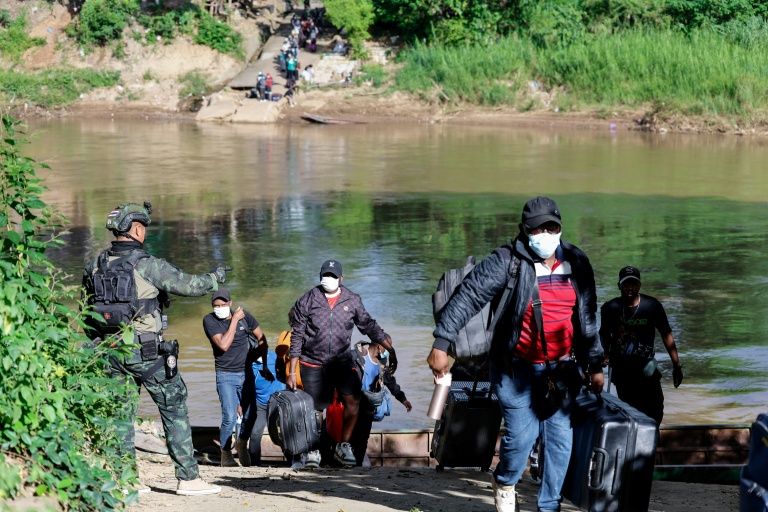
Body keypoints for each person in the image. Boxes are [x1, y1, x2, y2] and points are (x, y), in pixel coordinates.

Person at [427, 196, 604, 512]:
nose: (546, 233)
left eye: (553, 226)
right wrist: (441, 342)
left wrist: (594, 363)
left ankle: (548, 506)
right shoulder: (506, 262)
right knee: (521, 440)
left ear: (560, 226)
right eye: (539, 228)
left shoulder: (576, 261)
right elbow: (468, 296)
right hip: (516, 369)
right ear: (525, 229)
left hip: (562, 369)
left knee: (561, 443)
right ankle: (505, 480)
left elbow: (588, 314)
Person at [82, 202, 226, 496]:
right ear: (136, 229)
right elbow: (191, 286)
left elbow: (86, 314)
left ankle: (125, 479)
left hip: (110, 353)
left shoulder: (94, 265)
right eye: (144, 228)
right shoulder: (149, 265)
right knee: (174, 408)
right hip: (148, 353)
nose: (145, 233)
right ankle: (188, 479)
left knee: (120, 415)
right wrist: (215, 278)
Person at [287, 259, 398, 468]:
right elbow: (297, 337)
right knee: (316, 409)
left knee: (353, 401)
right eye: (325, 275)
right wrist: (292, 372)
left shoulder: (352, 300)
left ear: (341, 278)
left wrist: (390, 349)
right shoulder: (307, 300)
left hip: (341, 360)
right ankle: (313, 450)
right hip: (313, 362)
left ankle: (344, 445)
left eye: (332, 276)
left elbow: (369, 326)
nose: (328, 279)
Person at [600, 266, 684, 425]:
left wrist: (677, 366)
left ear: (639, 285)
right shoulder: (610, 308)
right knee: (631, 412)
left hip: (647, 370)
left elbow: (666, 334)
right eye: (626, 284)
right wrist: (605, 353)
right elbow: (604, 334)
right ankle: (636, 445)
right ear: (619, 285)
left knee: (656, 410)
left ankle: (652, 441)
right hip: (622, 372)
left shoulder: (652, 306)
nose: (630, 288)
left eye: (633, 284)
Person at [202, 288, 270, 467]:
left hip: (246, 372)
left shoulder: (245, 317)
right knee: (229, 417)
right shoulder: (210, 320)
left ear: (230, 303)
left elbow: (262, 338)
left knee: (251, 414)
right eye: (216, 305)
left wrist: (264, 366)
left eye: (223, 304)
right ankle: (226, 454)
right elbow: (223, 345)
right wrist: (234, 321)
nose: (220, 308)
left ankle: (241, 443)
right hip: (225, 374)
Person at [349, 341, 411, 466]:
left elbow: (391, 383)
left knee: (363, 438)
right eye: (387, 348)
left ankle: (358, 465)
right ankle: (347, 461)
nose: (388, 351)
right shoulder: (356, 357)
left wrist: (403, 399)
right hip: (353, 404)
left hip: (369, 407)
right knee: (351, 436)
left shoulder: (381, 364)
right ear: (380, 346)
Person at [243, 349, 287, 466]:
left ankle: (293, 461)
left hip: (279, 403)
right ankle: (255, 465)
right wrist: (239, 404)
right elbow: (241, 388)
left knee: (283, 433)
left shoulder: (275, 357)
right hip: (260, 404)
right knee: (255, 433)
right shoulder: (247, 365)